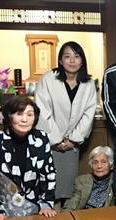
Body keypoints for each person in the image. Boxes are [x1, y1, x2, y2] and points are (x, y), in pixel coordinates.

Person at [0, 96, 57, 220]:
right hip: (4, 208)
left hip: (36, 206)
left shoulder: (41, 139)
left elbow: (48, 174)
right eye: (19, 114)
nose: (24, 119)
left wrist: (46, 204)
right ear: (9, 117)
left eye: (29, 114)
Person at [35, 41, 97, 206]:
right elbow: (42, 111)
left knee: (68, 190)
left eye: (76, 56)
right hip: (49, 143)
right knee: (49, 189)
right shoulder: (48, 79)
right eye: (67, 56)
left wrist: (73, 140)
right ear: (60, 60)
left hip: (72, 145)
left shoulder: (88, 83)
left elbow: (88, 114)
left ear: (82, 61)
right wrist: (56, 140)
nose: (72, 60)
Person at [62, 146, 114, 211]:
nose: (99, 166)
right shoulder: (82, 180)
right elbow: (72, 202)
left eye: (103, 162)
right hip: (84, 216)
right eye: (95, 162)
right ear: (91, 165)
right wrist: (66, 216)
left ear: (110, 164)